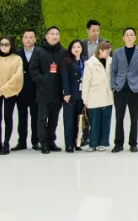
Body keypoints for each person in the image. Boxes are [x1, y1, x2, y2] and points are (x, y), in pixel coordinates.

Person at [31, 26, 67, 154]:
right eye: (52, 34)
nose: (54, 36)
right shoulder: (38, 51)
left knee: (54, 119)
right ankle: (43, 143)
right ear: (46, 36)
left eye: (57, 34)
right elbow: (33, 69)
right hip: (43, 91)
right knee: (42, 119)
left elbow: (66, 70)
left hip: (57, 92)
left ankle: (51, 141)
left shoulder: (63, 52)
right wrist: (42, 81)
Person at [111, 27, 138, 153]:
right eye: (127, 35)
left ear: (135, 37)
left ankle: (133, 143)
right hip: (120, 89)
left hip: (135, 90)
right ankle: (118, 143)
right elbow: (113, 70)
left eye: (132, 35)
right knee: (119, 118)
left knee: (134, 118)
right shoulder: (117, 52)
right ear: (123, 38)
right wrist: (113, 85)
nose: (129, 37)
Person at [81, 40, 114, 151]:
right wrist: (85, 99)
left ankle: (103, 142)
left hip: (107, 96)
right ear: (100, 50)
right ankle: (93, 143)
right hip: (94, 96)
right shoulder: (90, 63)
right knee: (94, 121)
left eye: (109, 51)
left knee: (106, 121)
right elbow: (86, 82)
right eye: (107, 51)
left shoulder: (111, 61)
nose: (108, 53)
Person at [12, 29, 40, 151]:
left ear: (35, 39)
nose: (28, 39)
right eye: (26, 37)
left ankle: (36, 141)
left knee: (36, 117)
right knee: (22, 117)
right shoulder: (17, 54)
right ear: (22, 39)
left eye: (31, 37)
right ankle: (21, 142)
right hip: (21, 91)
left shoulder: (39, 52)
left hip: (35, 90)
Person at [61, 39, 87, 153]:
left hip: (82, 95)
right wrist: (66, 93)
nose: (76, 49)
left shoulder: (85, 60)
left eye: (79, 47)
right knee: (69, 121)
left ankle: (77, 143)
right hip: (71, 95)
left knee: (80, 120)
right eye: (74, 47)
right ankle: (69, 144)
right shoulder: (66, 61)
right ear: (70, 49)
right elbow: (64, 78)